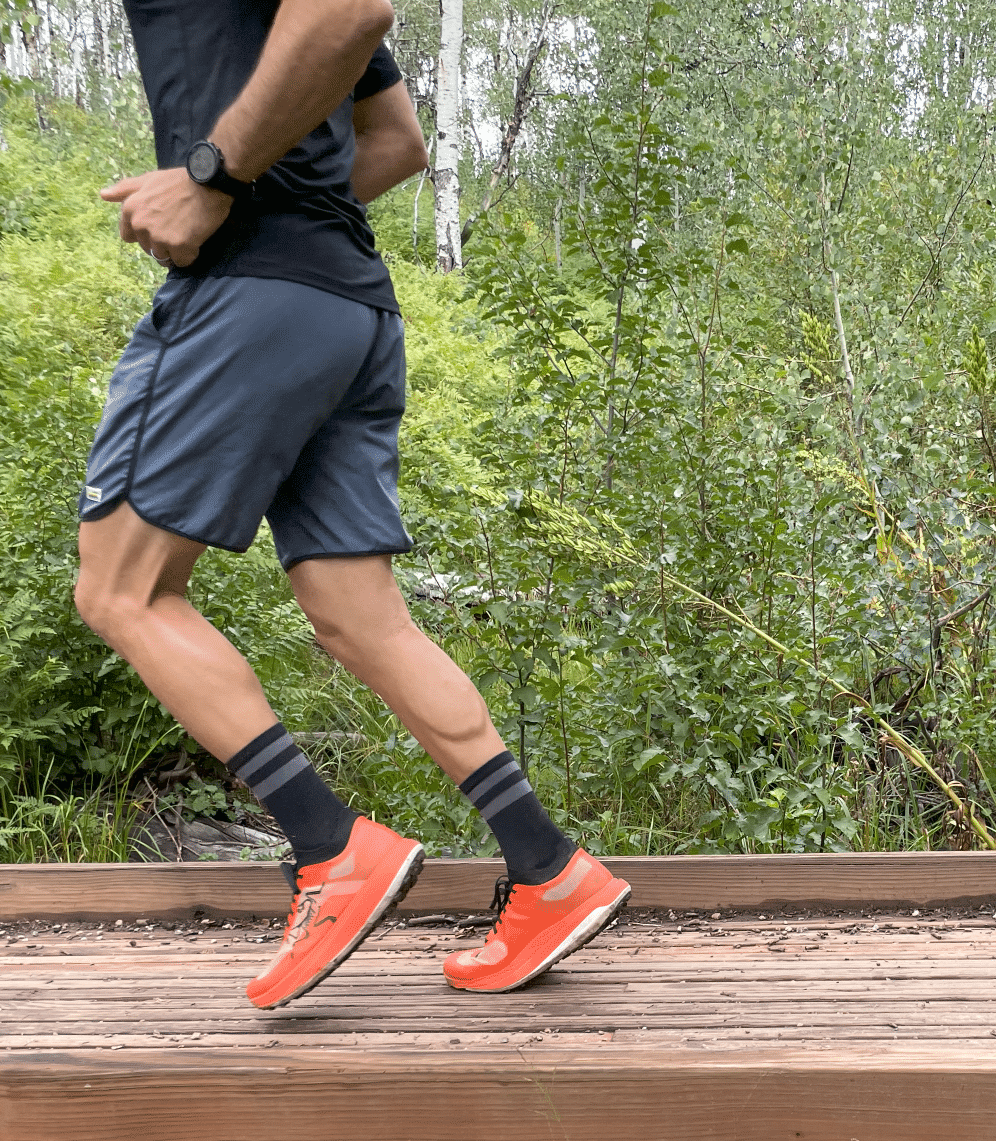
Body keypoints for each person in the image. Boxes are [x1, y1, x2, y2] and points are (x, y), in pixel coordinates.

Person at [72, 0, 628, 1009]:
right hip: (347, 303)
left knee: (121, 590)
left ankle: (329, 851)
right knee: (359, 614)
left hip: (252, 295)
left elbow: (347, 8)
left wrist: (213, 183)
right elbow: (397, 140)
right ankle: (548, 869)